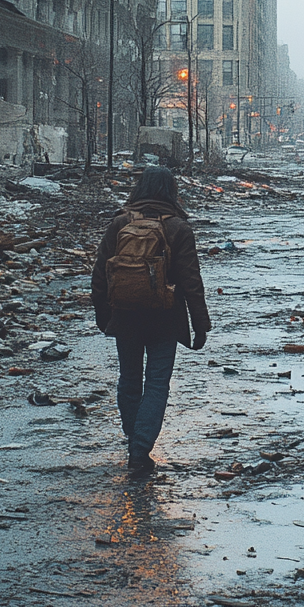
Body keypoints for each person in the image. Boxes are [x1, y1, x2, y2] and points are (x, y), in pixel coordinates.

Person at [91, 166, 211, 477]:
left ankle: (135, 441)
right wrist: (201, 324)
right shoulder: (178, 229)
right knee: (157, 385)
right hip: (165, 319)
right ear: (172, 191)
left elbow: (100, 275)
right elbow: (191, 282)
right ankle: (140, 450)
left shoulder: (120, 224)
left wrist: (104, 317)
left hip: (125, 317)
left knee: (129, 381)